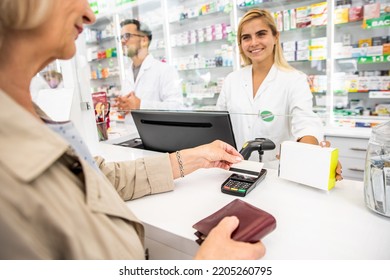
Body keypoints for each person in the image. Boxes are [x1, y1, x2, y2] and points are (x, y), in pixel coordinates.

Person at [0, 0, 265, 259]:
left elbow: (100, 177)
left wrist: (192, 157)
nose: (90, 15)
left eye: (128, 36)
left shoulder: (29, 113)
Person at [216, 8, 342, 180]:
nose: (253, 42)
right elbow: (219, 127)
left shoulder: (294, 79)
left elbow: (306, 124)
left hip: (277, 174)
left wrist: (312, 155)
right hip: (235, 170)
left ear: (275, 37)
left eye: (261, 34)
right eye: (246, 37)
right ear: (240, 44)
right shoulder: (231, 80)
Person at [115, 19, 183, 118]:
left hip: (157, 132)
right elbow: (129, 110)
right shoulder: (128, 73)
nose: (121, 41)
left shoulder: (166, 70)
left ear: (144, 40)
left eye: (127, 36)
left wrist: (140, 105)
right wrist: (122, 108)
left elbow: (177, 108)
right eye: (120, 37)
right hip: (131, 132)